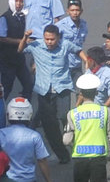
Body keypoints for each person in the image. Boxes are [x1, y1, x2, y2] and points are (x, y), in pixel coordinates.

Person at [18, 24, 87, 164]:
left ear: (58, 38)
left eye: (52, 39)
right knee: (49, 126)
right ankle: (63, 155)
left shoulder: (65, 45)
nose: (49, 42)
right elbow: (20, 50)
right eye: (47, 39)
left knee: (64, 116)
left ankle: (75, 141)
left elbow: (78, 51)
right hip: (44, 90)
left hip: (62, 88)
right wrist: (25, 37)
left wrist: (86, 62)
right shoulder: (36, 45)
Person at [0, 0, 33, 99]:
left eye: (21, 2)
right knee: (7, 87)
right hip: (6, 60)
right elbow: (2, 38)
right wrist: (21, 41)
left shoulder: (21, 16)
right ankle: (0, 111)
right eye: (16, 1)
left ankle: (26, 111)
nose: (19, 4)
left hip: (19, 59)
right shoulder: (5, 18)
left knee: (28, 84)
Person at [56, 0, 87, 86]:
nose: (75, 13)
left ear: (81, 11)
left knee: (81, 90)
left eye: (77, 10)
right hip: (64, 65)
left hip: (77, 65)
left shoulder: (84, 25)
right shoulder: (60, 25)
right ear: (67, 11)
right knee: (65, 92)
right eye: (72, 10)